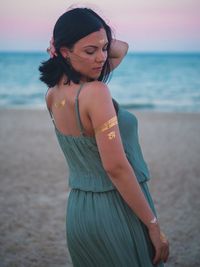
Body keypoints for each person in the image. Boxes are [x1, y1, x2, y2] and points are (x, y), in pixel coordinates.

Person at [39, 6, 169, 267]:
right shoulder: (96, 92)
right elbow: (116, 167)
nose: (101, 57)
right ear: (65, 51)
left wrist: (93, 39)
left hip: (79, 213)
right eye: (90, 51)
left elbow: (122, 48)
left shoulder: (53, 94)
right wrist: (153, 225)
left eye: (104, 48)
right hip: (116, 209)